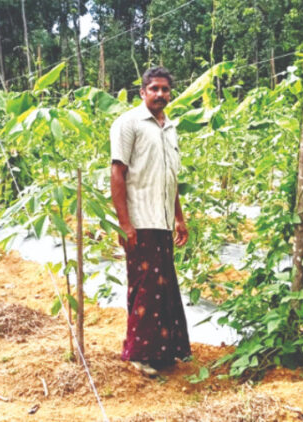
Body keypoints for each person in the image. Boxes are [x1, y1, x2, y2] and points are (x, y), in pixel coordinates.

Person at [110, 67, 191, 376]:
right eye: (154, 88)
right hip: (140, 221)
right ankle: (138, 354)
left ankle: (163, 351)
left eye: (165, 89)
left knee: (164, 288)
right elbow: (117, 173)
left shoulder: (169, 128)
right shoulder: (128, 124)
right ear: (142, 92)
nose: (160, 94)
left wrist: (179, 219)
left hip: (163, 221)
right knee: (145, 288)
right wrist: (125, 224)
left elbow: (169, 179)